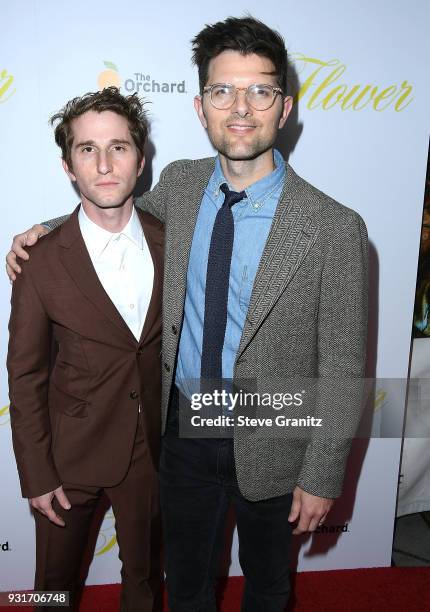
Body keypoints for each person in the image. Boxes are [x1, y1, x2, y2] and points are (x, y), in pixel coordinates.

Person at [6, 16, 368, 612]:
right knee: (187, 585)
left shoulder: (334, 226)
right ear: (201, 108)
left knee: (269, 585)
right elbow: (111, 209)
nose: (242, 109)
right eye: (224, 91)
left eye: (260, 90)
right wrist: (43, 230)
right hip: (180, 431)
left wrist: (324, 475)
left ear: (286, 106)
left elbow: (343, 366)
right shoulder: (180, 184)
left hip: (275, 431)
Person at [7, 88, 164, 611]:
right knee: (53, 589)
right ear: (67, 165)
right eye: (87, 149)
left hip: (153, 451)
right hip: (67, 457)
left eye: (118, 147)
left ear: (140, 160)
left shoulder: (174, 242)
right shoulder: (41, 261)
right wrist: (36, 473)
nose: (103, 163)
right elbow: (25, 376)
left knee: (145, 584)